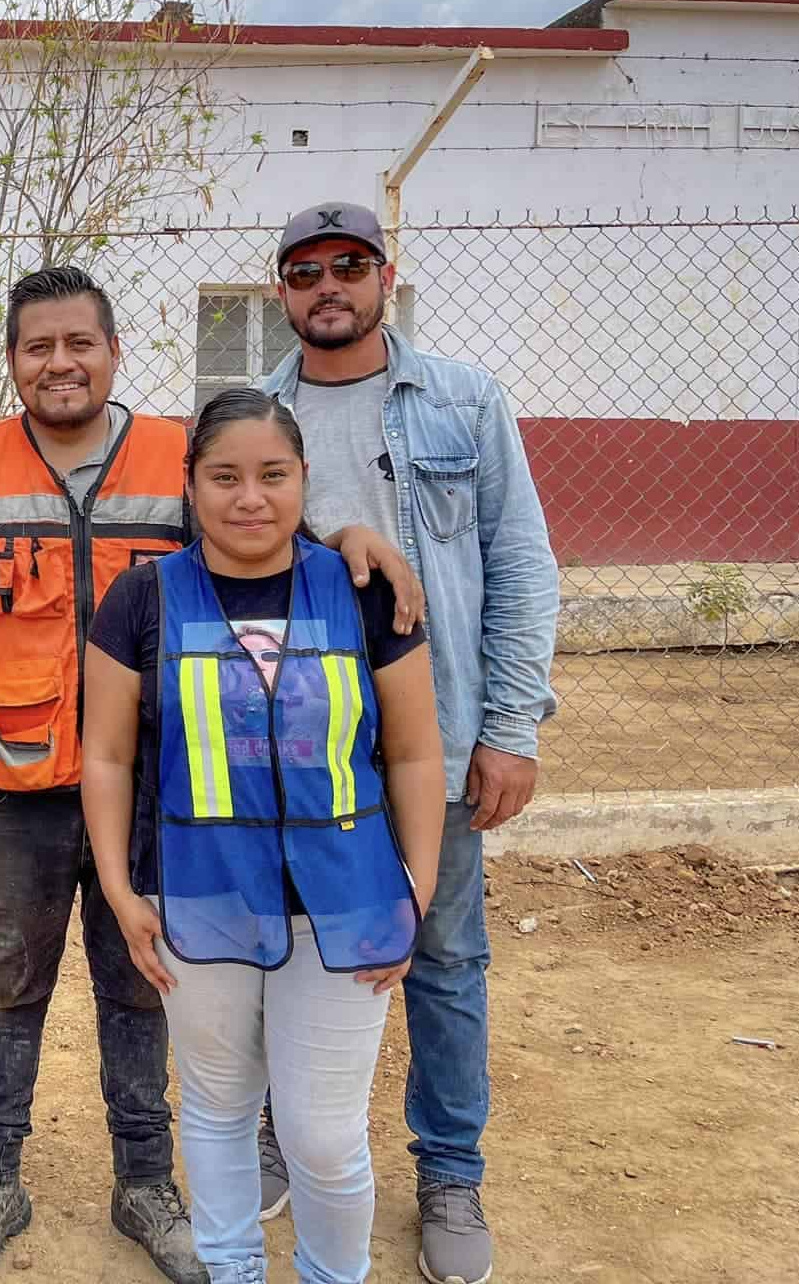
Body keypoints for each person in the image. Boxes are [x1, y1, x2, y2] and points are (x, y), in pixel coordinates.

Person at [0, 266, 421, 1284]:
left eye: (78, 344)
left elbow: (259, 532)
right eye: (37, 347)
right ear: (9, 363)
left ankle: (145, 1182)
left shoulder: (171, 458)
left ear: (112, 350)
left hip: (155, 794)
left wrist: (352, 534)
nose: (59, 364)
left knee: (142, 982)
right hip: (11, 783)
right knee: (9, 982)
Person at [82, 387, 447, 1284]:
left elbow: (412, 752)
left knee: (324, 1136)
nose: (250, 498)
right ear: (191, 485)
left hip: (344, 899)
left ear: (304, 480)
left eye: (272, 476)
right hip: (196, 896)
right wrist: (125, 893)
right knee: (216, 1105)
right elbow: (106, 757)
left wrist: (418, 887)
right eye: (225, 477)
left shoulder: (361, 589)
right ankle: (233, 1269)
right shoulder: (141, 599)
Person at [257, 201, 559, 1284]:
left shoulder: (461, 402)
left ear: (385, 276)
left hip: (433, 736)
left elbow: (519, 565)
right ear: (280, 290)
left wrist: (511, 728)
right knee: (277, 944)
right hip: (290, 748)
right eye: (303, 271)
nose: (326, 286)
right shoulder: (257, 414)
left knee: (438, 957)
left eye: (347, 266)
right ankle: (272, 1136)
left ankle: (447, 1170)